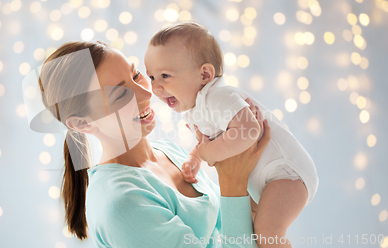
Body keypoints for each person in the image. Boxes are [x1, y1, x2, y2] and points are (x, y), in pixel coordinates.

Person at [38, 40, 271, 247]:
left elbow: (228, 226)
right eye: (120, 95)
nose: (146, 94)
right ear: (82, 123)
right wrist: (233, 181)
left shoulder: (167, 152)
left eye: (136, 74)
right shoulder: (123, 206)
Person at [144, 21, 319, 247]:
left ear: (205, 74)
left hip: (287, 174)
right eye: (151, 77)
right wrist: (196, 156)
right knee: (250, 228)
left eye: (165, 76)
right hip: (266, 178)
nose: (156, 87)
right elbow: (214, 138)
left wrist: (208, 152)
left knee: (268, 232)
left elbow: (248, 130)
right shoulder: (197, 107)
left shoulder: (219, 97)